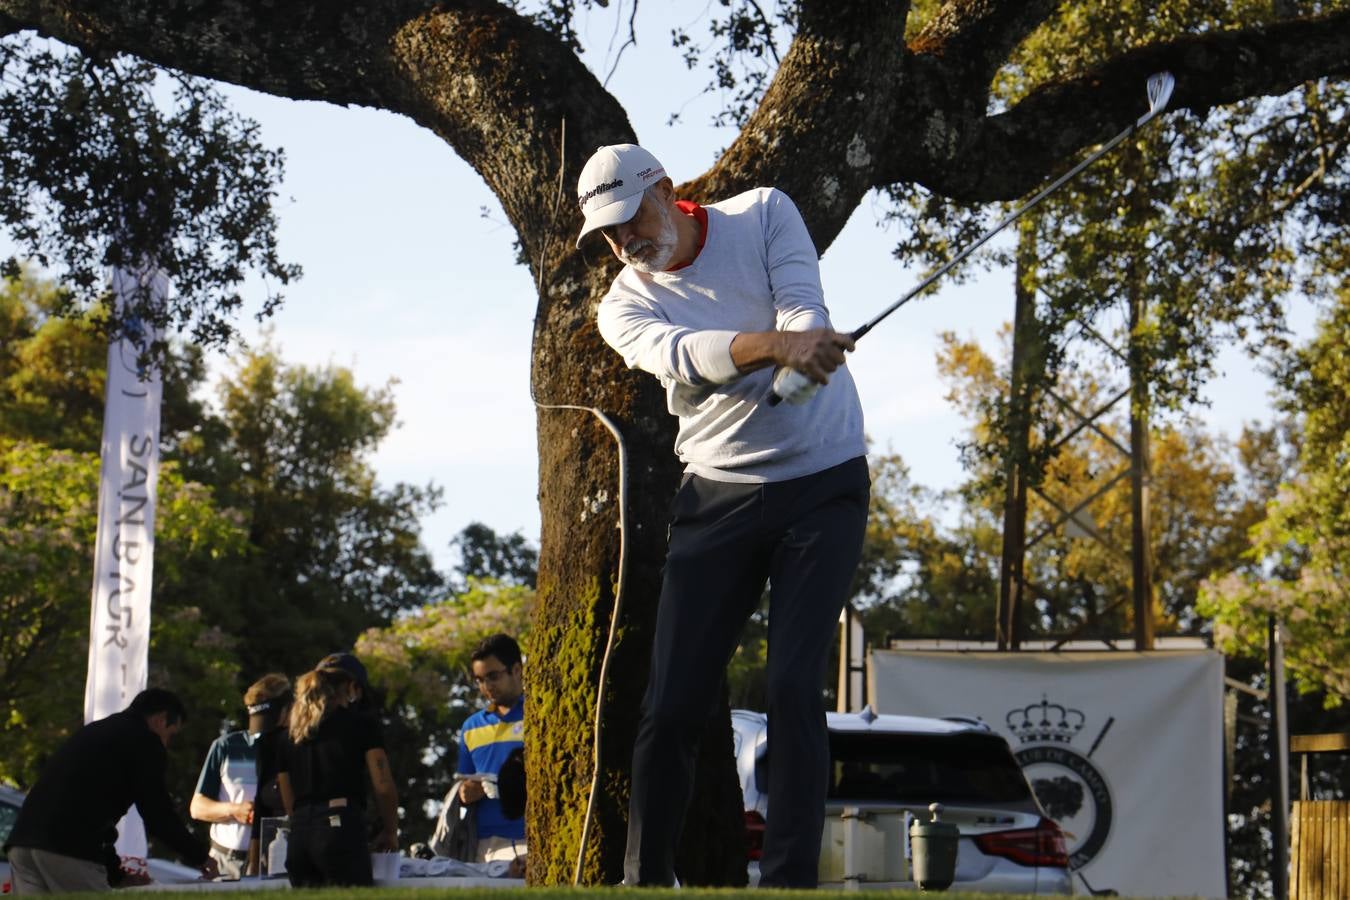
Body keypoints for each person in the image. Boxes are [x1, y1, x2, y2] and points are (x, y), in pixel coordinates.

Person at [577, 143, 870, 888]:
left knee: (794, 686)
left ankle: (789, 880)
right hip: (718, 495)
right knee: (672, 704)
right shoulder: (624, 303)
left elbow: (804, 302)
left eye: (629, 220)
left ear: (667, 192)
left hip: (824, 481)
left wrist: (805, 353)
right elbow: (690, 355)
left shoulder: (764, 212)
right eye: (607, 235)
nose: (624, 243)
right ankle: (645, 879)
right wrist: (779, 348)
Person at [3, 688, 219, 893]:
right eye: (171, 735)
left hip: (22, 843)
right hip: (68, 849)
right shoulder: (145, 742)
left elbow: (86, 809)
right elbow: (157, 813)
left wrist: (116, 875)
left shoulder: (95, 731)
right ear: (161, 719)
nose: (167, 743)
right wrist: (200, 856)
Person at [275, 661, 399, 887]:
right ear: (350, 688)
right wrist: (390, 830)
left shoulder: (289, 737)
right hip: (340, 826)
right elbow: (382, 784)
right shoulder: (361, 724)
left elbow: (287, 795)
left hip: (299, 833)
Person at [190, 674, 288, 878]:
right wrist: (234, 810)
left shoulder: (294, 747)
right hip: (226, 859)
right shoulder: (225, 746)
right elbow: (197, 808)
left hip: (277, 856)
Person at [455, 634, 526, 872]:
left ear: (517, 670)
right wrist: (466, 792)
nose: (486, 687)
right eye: (480, 680)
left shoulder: (541, 717)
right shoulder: (470, 727)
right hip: (481, 845)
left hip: (531, 837)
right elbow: (463, 788)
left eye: (493, 676)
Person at [240, 674, 293, 875]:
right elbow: (261, 806)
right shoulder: (267, 744)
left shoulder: (309, 743)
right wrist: (254, 865)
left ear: (290, 707)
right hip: (273, 848)